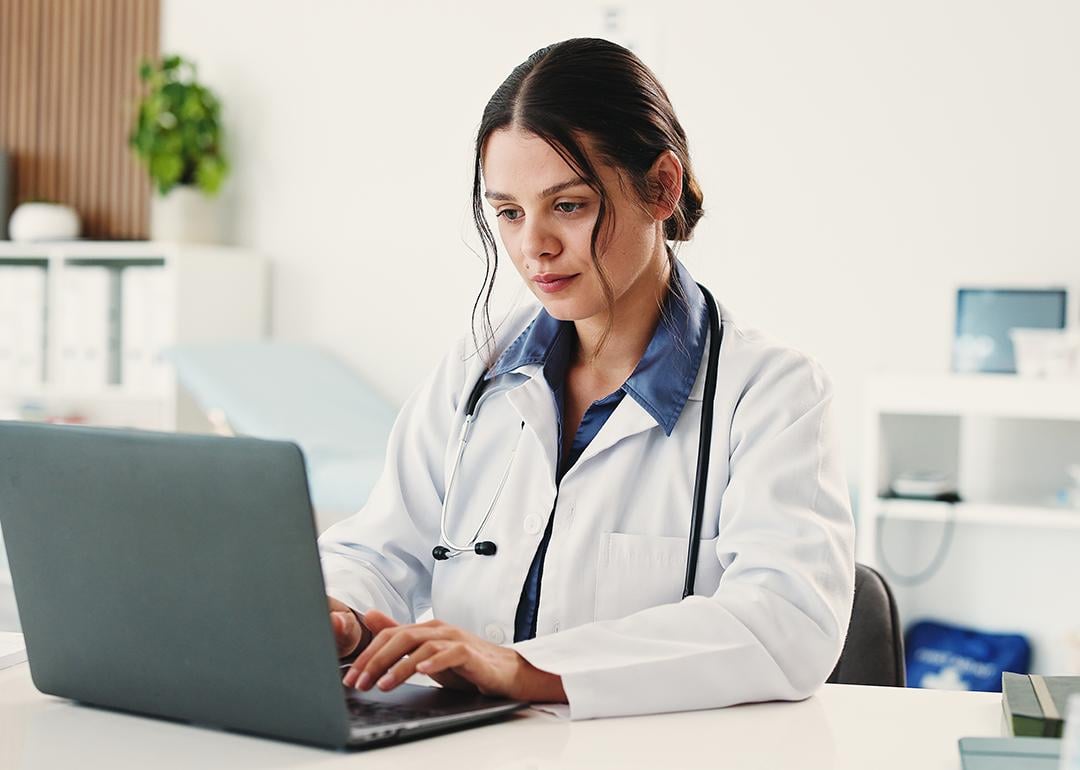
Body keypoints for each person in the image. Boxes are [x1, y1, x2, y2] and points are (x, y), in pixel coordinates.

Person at [319, 37, 855, 720]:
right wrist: (342, 613)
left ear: (660, 186)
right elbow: (376, 547)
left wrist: (525, 668)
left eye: (567, 205)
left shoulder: (772, 393)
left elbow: (788, 624)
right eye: (509, 212)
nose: (532, 246)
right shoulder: (479, 368)